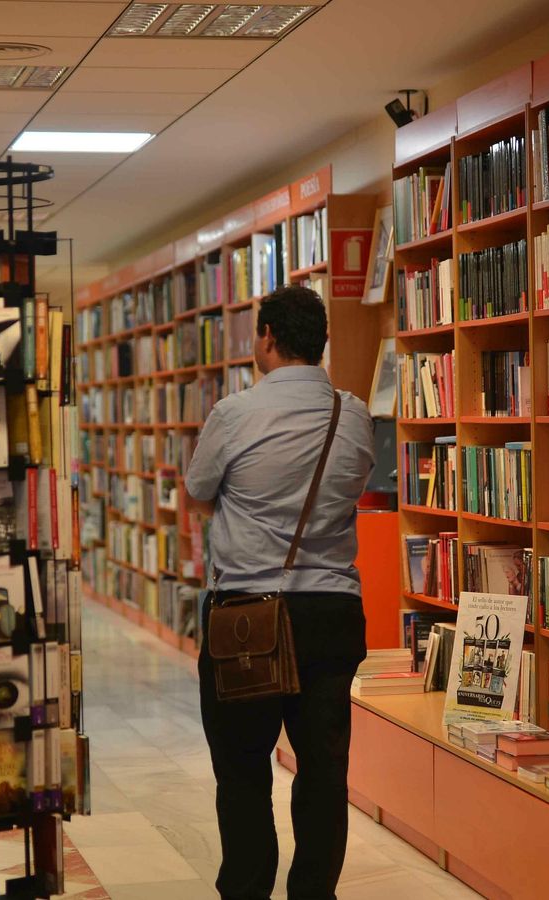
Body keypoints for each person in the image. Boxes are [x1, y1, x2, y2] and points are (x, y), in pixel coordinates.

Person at [187, 284, 375, 900]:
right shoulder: (354, 415)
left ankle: (246, 890)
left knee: (242, 769)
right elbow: (350, 489)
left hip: (248, 617)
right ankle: (313, 892)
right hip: (331, 613)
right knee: (323, 772)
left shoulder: (234, 414)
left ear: (266, 337)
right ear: (319, 342)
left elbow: (198, 490)